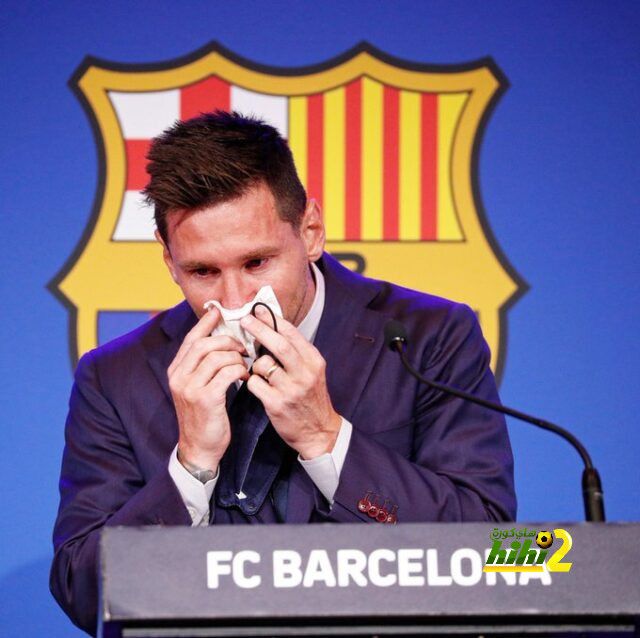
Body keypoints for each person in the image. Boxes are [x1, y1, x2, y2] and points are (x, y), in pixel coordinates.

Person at [51, 111, 516, 634]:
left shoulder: (430, 336)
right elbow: (82, 589)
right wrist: (191, 467)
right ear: (169, 261)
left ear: (311, 231)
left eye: (256, 263)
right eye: (203, 271)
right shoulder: (115, 377)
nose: (235, 300)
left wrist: (326, 438)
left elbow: (492, 549)